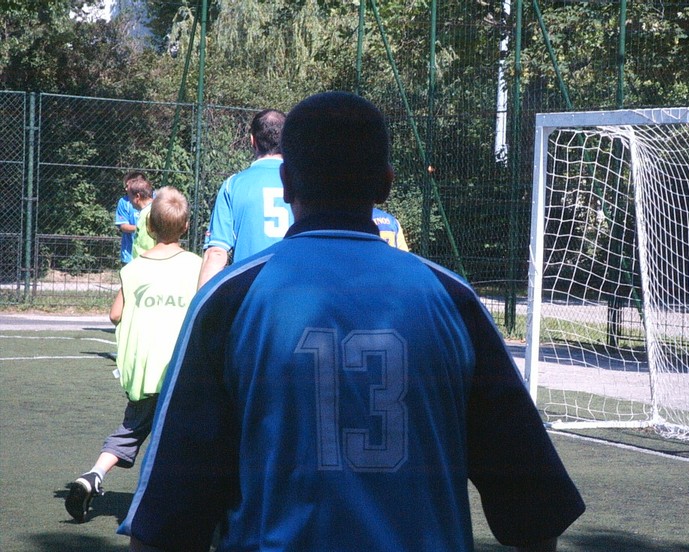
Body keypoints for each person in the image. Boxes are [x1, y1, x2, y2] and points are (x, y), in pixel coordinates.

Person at [118, 91, 584, 551]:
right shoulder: (453, 300)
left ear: (287, 183)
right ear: (386, 184)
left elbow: (166, 522)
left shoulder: (229, 301)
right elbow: (534, 512)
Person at [65, 186, 202, 524]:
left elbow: (115, 314)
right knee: (190, 436)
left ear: (149, 227)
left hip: (144, 371)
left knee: (130, 431)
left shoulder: (134, 269)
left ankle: (93, 475)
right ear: (186, 226)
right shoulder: (196, 265)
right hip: (180, 371)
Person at [197, 109, 291, 289]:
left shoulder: (232, 185)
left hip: (249, 292)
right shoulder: (302, 184)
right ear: (287, 140)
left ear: (252, 141)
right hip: (292, 291)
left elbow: (216, 253)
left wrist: (201, 303)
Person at [115, 172, 143, 264]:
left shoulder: (155, 200)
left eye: (128, 185)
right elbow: (123, 226)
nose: (125, 188)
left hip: (150, 255)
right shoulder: (124, 202)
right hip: (129, 256)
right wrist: (142, 228)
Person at [127, 175, 156, 259]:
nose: (129, 201)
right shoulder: (147, 210)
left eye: (130, 197)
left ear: (137, 197)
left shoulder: (149, 213)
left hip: (147, 261)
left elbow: (146, 244)